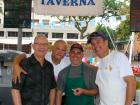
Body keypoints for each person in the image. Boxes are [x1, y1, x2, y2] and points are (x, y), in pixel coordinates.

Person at [87, 32, 136, 105]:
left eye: (98, 41)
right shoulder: (100, 62)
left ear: (106, 42)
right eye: (93, 44)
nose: (95, 45)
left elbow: (131, 82)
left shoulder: (118, 57)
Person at [11, 35, 56, 105]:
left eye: (44, 44)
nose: (42, 47)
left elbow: (52, 88)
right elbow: (15, 90)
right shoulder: (24, 64)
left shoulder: (49, 66)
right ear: (33, 46)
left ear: (48, 47)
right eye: (38, 44)